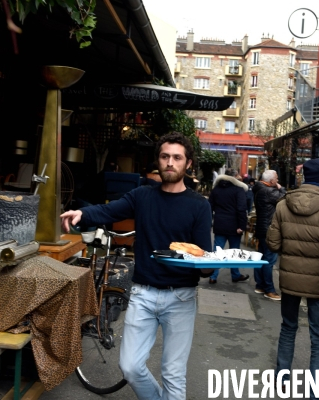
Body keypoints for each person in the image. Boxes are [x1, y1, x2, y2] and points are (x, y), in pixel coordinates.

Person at [60, 132, 213, 400]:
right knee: (130, 367)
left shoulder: (199, 206)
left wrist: (209, 266)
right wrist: (83, 214)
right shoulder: (142, 196)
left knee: (173, 373)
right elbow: (110, 211)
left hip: (180, 297)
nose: (170, 162)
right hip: (143, 294)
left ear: (188, 164)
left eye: (177, 158)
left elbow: (203, 257)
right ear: (158, 160)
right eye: (165, 156)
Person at [268, 159, 319, 400]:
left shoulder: (282, 204)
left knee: (288, 328)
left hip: (290, 278)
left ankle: (281, 379)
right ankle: (316, 392)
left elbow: (273, 243)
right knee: (318, 337)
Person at [207, 168, 250, 284]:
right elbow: (241, 209)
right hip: (235, 226)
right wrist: (242, 225)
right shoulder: (238, 190)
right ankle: (235, 274)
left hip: (220, 223)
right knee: (234, 251)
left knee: (217, 251)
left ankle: (213, 276)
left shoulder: (216, 190)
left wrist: (209, 222)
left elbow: (209, 207)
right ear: (235, 176)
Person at [253, 170, 285, 301]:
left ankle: (260, 285)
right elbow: (285, 198)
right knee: (269, 260)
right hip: (269, 229)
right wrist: (281, 188)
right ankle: (269, 289)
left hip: (262, 227)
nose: (277, 181)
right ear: (271, 181)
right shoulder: (268, 191)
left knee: (261, 257)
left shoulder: (259, 188)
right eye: (276, 179)